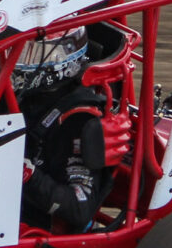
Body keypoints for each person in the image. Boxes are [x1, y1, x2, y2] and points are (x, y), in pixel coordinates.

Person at [13, 24, 133, 232]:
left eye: (33, 54)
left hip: (37, 232)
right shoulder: (26, 96)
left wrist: (24, 173)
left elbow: (80, 208)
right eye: (22, 52)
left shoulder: (78, 119)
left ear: (62, 57)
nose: (23, 62)